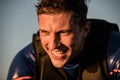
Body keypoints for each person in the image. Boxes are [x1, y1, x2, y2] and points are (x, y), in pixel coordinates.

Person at [7, 0, 120, 80]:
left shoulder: (114, 51)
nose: (52, 46)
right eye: (45, 32)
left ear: (85, 29)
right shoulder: (28, 62)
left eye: (63, 33)